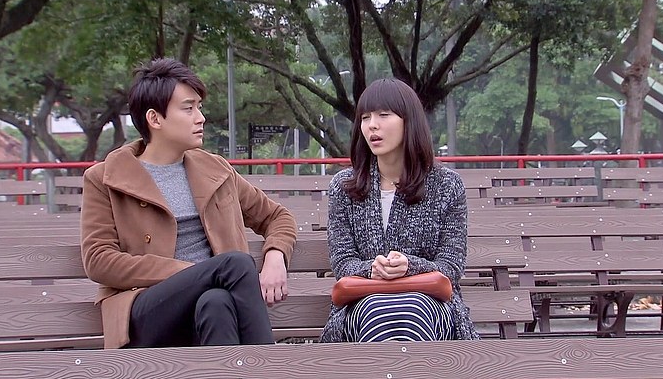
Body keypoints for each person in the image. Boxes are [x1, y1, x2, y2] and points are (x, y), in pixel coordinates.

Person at [80, 58, 297, 349]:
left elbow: (277, 217)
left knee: (217, 302)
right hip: (146, 310)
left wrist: (275, 256)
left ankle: (240, 373)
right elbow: (99, 260)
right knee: (234, 264)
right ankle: (269, 367)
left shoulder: (216, 171)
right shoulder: (106, 178)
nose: (200, 117)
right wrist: (192, 273)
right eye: (188, 108)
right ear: (155, 119)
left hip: (210, 302)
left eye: (199, 107)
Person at [321, 78, 478, 343]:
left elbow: (450, 266)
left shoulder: (446, 185)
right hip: (362, 305)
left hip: (431, 306)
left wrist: (410, 266)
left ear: (409, 121)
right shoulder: (344, 186)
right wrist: (372, 269)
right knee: (378, 310)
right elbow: (343, 263)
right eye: (365, 117)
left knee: (413, 310)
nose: (372, 125)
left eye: (384, 115)